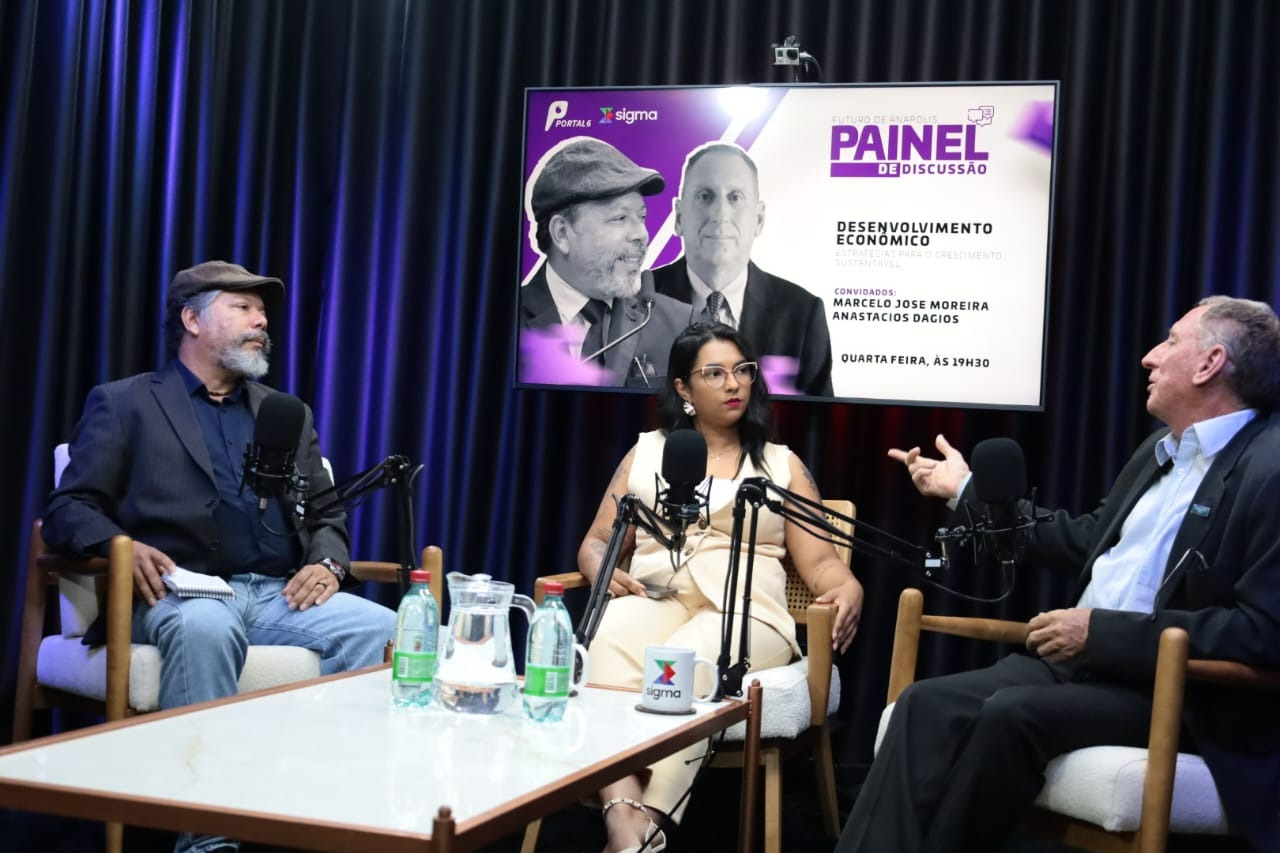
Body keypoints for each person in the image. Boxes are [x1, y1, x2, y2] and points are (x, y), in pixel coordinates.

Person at [838, 296, 1280, 853]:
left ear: (1209, 363)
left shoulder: (1269, 468)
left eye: (1169, 342)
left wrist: (1100, 633)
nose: (1148, 357)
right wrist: (968, 493)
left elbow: (1262, 631)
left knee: (1011, 714)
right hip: (1081, 671)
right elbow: (1083, 539)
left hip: (1178, 693)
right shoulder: (1158, 452)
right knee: (925, 704)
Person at [44, 260, 398, 853]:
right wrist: (116, 546)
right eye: (243, 308)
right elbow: (68, 506)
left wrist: (329, 563)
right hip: (181, 592)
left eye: (262, 312)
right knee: (207, 626)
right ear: (191, 319)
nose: (262, 321)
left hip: (277, 594)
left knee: (386, 628)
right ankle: (207, 840)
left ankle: (333, 815)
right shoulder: (126, 402)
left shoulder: (285, 413)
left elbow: (327, 514)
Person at [580, 322, 863, 852]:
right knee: (606, 639)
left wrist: (848, 586)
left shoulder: (780, 464)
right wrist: (600, 569)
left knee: (683, 664)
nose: (734, 384)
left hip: (748, 613)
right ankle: (621, 810)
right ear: (683, 389)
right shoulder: (645, 454)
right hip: (659, 596)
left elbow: (821, 561)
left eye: (742, 371)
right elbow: (597, 541)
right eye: (715, 373)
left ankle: (645, 824)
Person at [650, 142, 833, 397]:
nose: (720, 214)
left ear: (758, 219)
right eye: (705, 196)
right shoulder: (634, 301)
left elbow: (817, 428)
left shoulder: (802, 313)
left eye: (735, 197)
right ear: (679, 217)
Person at [520, 136, 689, 388]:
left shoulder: (682, 323)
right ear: (562, 234)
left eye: (641, 216)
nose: (640, 234)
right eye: (619, 218)